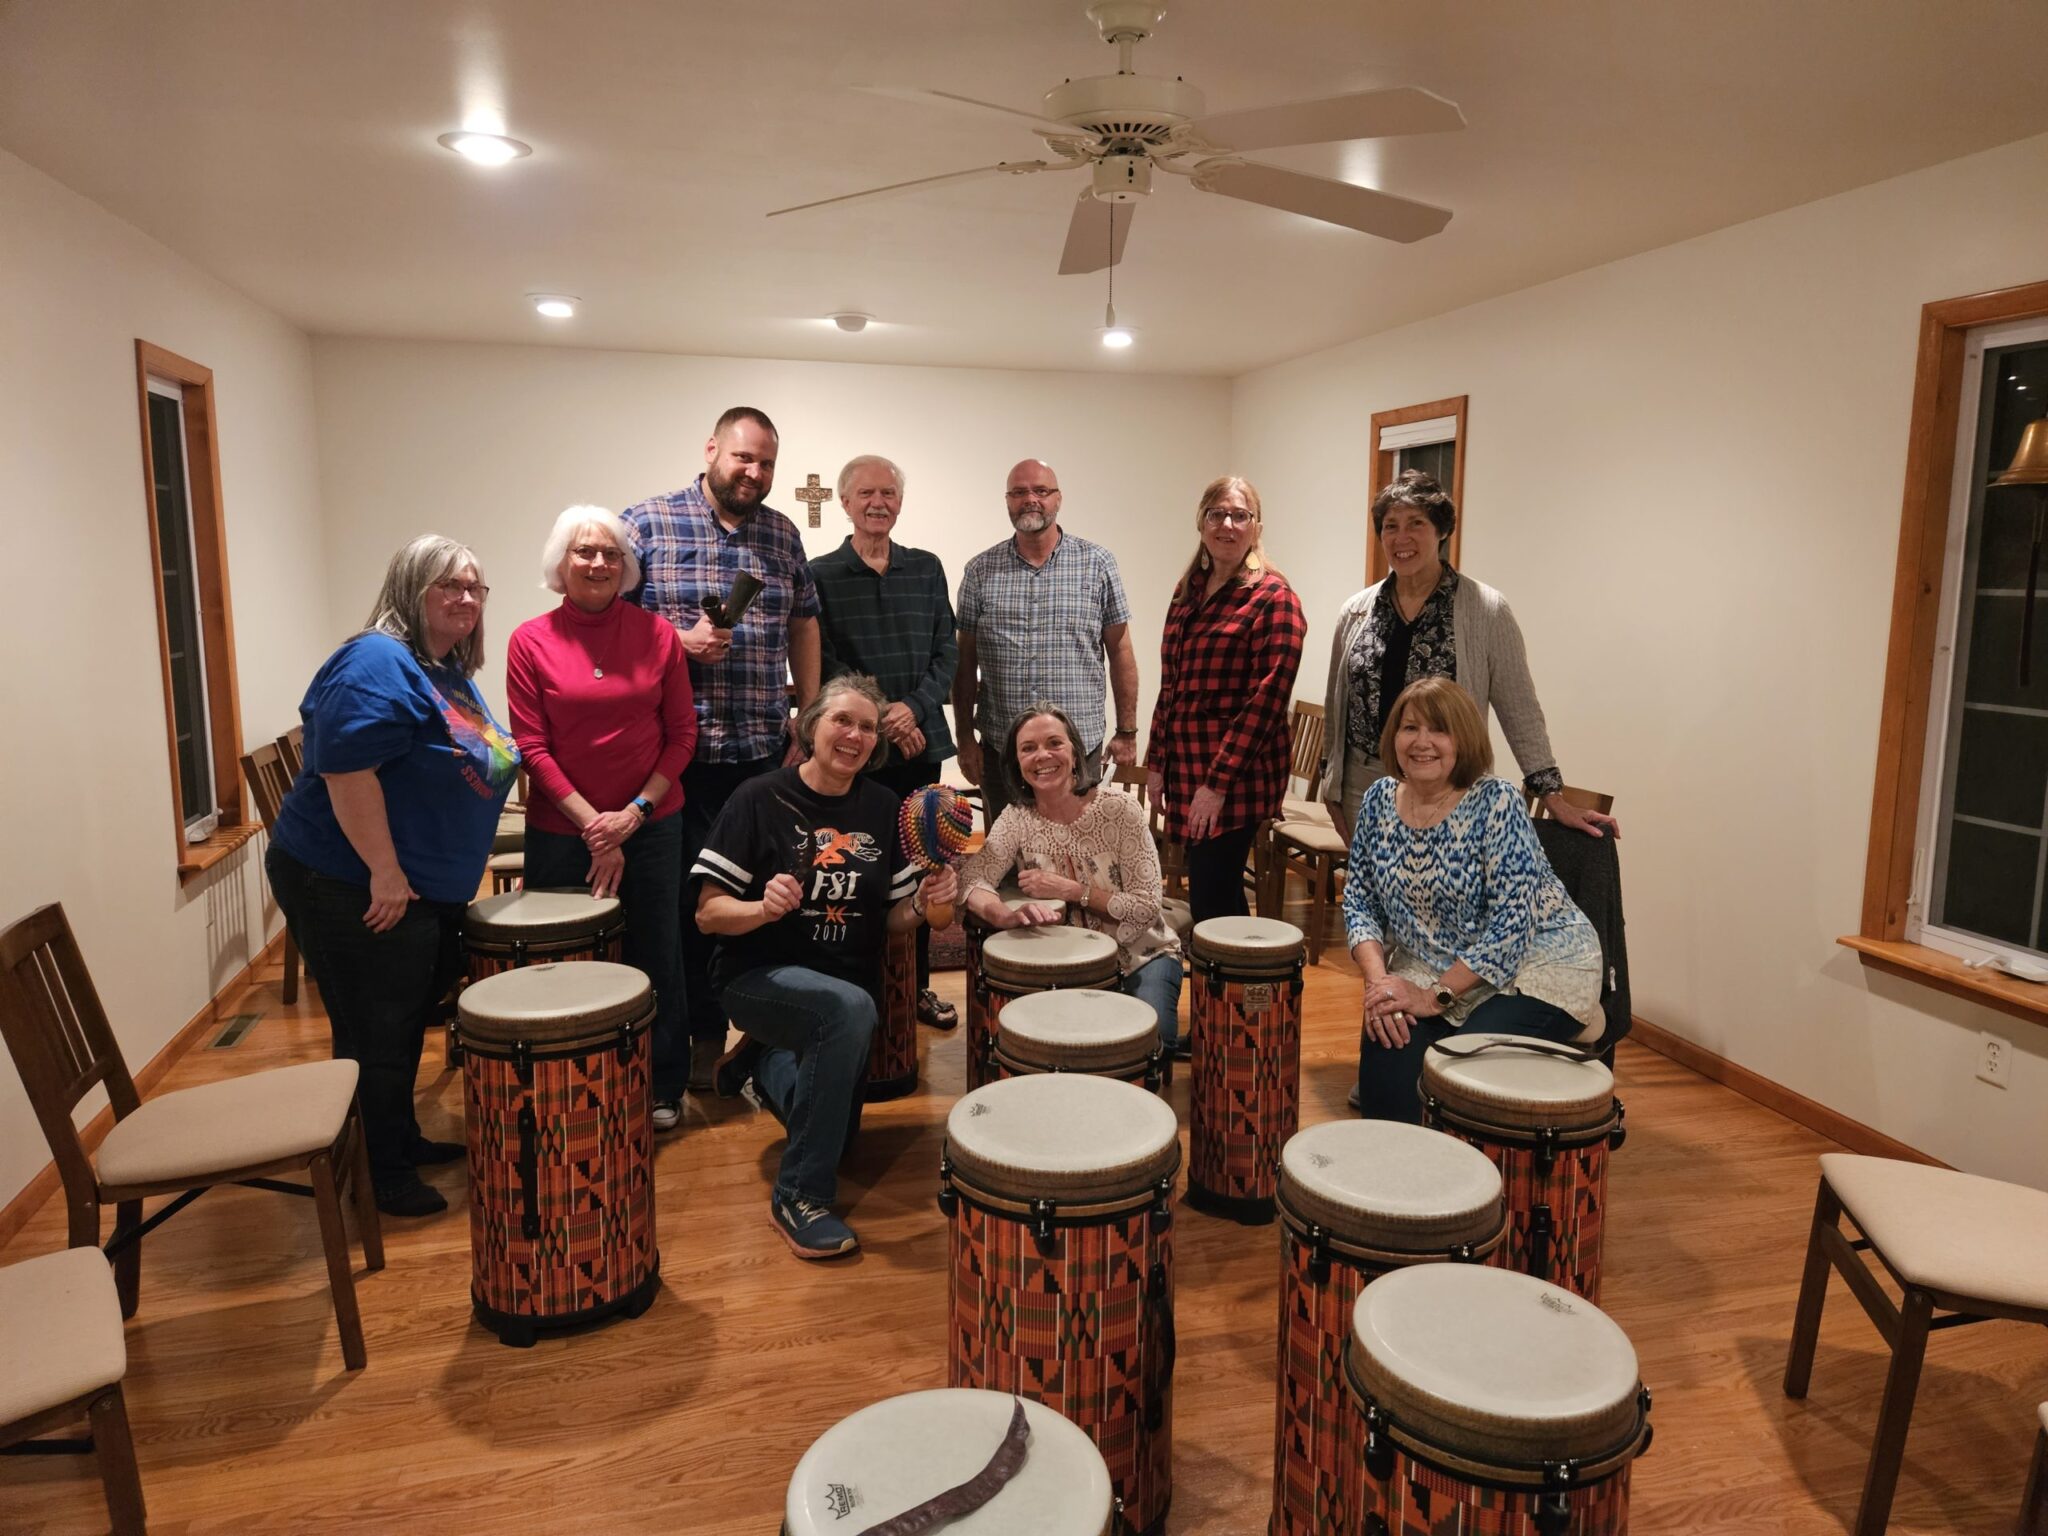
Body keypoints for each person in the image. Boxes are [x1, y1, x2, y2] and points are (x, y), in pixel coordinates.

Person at [266, 535, 519, 1217]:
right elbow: (346, 770)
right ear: (411, 590)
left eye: (474, 587)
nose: (465, 597)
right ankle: (380, 1174)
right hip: (349, 879)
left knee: (403, 1020)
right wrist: (383, 871)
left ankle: (397, 1138)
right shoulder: (377, 660)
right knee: (377, 1026)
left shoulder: (442, 668)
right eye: (447, 585)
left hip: (416, 883)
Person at [691, 675, 956, 1259]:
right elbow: (709, 914)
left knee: (839, 1131)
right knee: (847, 1011)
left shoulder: (883, 807)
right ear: (810, 726)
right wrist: (761, 908)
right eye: (843, 720)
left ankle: (765, 1066)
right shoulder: (757, 797)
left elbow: (891, 920)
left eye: (866, 727)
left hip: (843, 993)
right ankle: (798, 1196)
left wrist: (924, 901)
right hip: (756, 977)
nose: (855, 735)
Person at [625, 406, 821, 1091]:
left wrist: (810, 711)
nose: (755, 472)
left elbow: (805, 620)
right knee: (681, 903)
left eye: (766, 462)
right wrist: (677, 643)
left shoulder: (781, 533)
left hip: (762, 750)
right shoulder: (645, 523)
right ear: (711, 448)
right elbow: (611, 621)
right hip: (675, 757)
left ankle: (751, 1033)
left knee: (757, 900)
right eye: (743, 458)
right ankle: (687, 1033)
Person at [506, 506, 698, 1132]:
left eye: (611, 554)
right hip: (562, 832)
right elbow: (531, 748)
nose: (597, 563)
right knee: (566, 959)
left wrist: (632, 817)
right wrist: (597, 826)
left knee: (656, 953)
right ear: (560, 564)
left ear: (626, 567)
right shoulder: (528, 640)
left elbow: (682, 735)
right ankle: (569, 1076)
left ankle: (664, 1082)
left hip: (652, 824)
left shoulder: (658, 635)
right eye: (584, 552)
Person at [1343, 677, 1605, 1123]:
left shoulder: (1496, 802)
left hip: (1536, 966)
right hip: (1427, 962)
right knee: (1385, 1079)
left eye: (1439, 730)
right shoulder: (1378, 801)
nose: (1422, 743)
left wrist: (1433, 998)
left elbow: (1511, 928)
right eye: (1410, 728)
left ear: (1463, 740)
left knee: (1459, 1077)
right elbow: (1359, 901)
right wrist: (1378, 984)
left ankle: (1468, 1185)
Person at [1319, 470, 1619, 841]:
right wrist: (1331, 785)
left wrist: (1552, 796)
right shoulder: (1356, 611)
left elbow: (1520, 709)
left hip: (1451, 785)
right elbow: (1337, 706)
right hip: (1362, 785)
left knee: (1446, 894)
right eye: (1390, 526)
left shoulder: (1486, 610)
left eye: (1416, 523)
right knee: (1373, 894)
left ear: (1441, 530)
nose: (1401, 538)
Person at [808, 454, 960, 1029]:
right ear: (845, 503)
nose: (879, 502)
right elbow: (823, 659)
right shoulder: (820, 574)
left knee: (923, 870)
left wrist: (914, 710)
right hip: (854, 754)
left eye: (889, 493)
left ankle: (915, 987)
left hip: (919, 750)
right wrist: (881, 714)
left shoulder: (927, 568)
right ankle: (856, 986)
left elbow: (947, 650)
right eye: (867, 493)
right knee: (859, 870)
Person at [959, 704, 1184, 1051]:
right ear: (1017, 765)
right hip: (1065, 965)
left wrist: (1073, 890)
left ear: (1076, 754)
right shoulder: (1017, 818)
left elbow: (1145, 908)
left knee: (1148, 1046)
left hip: (1142, 956)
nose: (1042, 756)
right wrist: (1003, 915)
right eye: (1028, 748)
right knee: (1059, 1050)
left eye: (1054, 743)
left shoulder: (1121, 811)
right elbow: (972, 877)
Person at [1146, 476, 1307, 922]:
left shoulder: (1274, 598)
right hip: (1187, 765)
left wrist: (1217, 785)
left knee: (1212, 895)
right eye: (1217, 514)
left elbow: (1268, 700)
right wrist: (1157, 762)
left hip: (1237, 776)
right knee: (1215, 895)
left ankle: (1231, 986)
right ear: (1201, 522)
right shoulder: (1187, 592)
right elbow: (1171, 685)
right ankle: (1240, 985)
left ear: (1256, 527)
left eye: (1240, 515)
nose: (1228, 524)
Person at [952, 458, 1139, 825]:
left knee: (1078, 860)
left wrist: (1127, 731)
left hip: (1078, 747)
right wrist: (964, 738)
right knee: (1006, 862)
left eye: (1041, 491)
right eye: (1019, 492)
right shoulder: (979, 571)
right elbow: (964, 660)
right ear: (1007, 501)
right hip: (1003, 748)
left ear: (1058, 499)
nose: (1030, 500)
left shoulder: (1098, 564)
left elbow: (1120, 652)